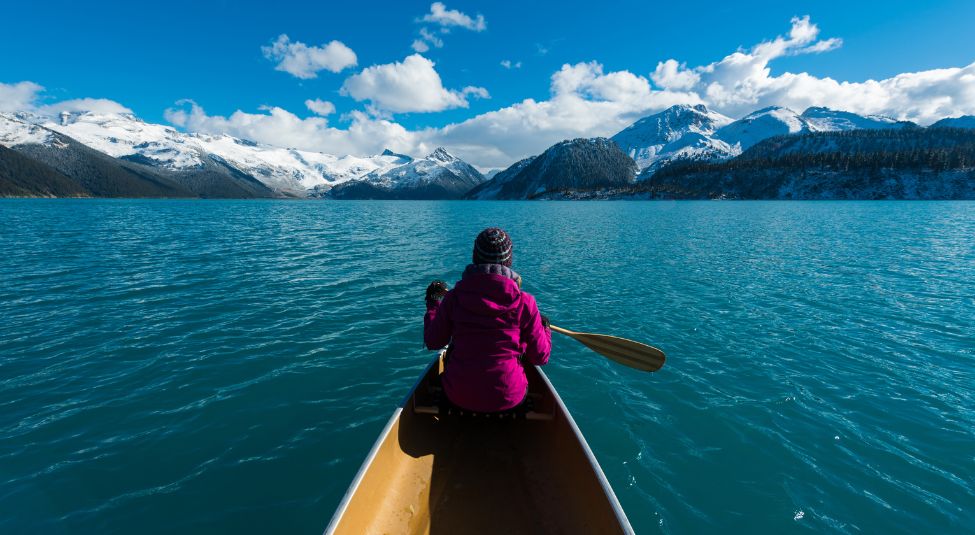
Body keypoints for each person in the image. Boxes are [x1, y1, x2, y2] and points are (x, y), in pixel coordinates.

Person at [423, 227, 551, 413]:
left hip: (457, 395)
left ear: (475, 257)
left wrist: (433, 304)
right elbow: (540, 356)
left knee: (453, 350)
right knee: (520, 349)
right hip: (509, 398)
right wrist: (544, 328)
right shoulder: (525, 303)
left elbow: (433, 341)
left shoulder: (454, 298)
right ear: (509, 260)